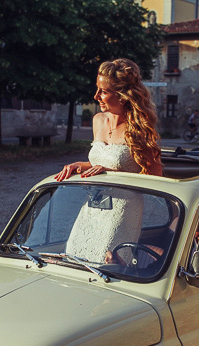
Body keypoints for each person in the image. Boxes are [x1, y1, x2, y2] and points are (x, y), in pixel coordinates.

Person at [54, 58, 163, 263]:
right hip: (93, 207)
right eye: (97, 89)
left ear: (122, 96)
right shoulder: (98, 121)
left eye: (103, 91)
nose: (96, 96)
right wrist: (82, 165)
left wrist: (109, 172)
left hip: (123, 210)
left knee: (108, 264)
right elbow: (103, 161)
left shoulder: (139, 129)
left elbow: (156, 177)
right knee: (76, 255)